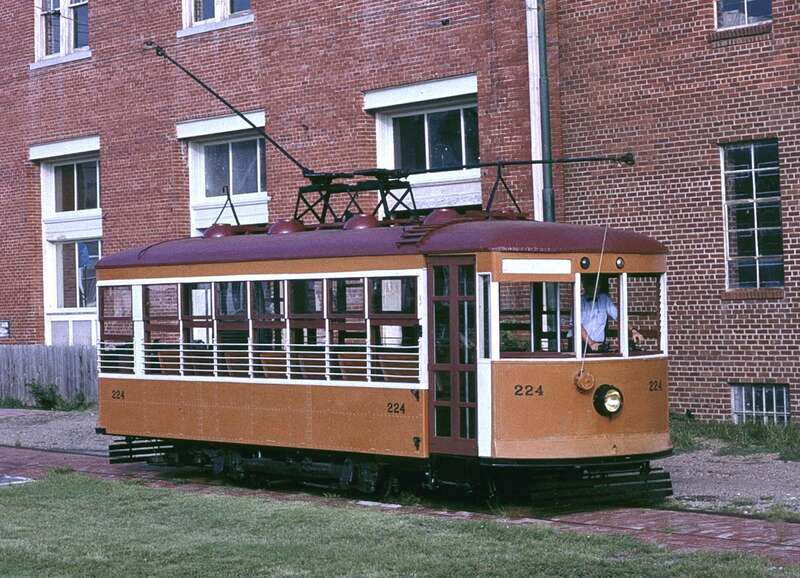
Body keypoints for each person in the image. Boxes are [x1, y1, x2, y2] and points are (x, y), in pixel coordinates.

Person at [580, 275, 644, 353]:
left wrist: (633, 330)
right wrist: (590, 343)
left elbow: (619, 317)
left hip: (598, 345)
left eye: (597, 284)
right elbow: (577, 326)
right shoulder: (579, 301)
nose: (596, 286)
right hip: (581, 345)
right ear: (585, 285)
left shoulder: (604, 299)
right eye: (592, 284)